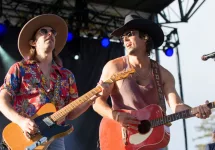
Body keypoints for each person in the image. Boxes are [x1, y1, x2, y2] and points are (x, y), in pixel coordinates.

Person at [92, 14, 212, 149]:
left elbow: (177, 106)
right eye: (123, 36)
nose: (125, 38)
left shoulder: (164, 75)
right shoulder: (114, 67)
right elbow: (97, 102)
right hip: (121, 140)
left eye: (130, 34)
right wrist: (115, 115)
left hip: (154, 142)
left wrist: (196, 110)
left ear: (145, 37)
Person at [0, 14, 102, 150]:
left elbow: (71, 112)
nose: (50, 34)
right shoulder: (20, 68)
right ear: (33, 42)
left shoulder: (67, 76)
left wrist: (91, 98)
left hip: (55, 137)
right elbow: (2, 100)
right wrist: (21, 121)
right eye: (44, 31)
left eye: (53, 32)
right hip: (25, 135)